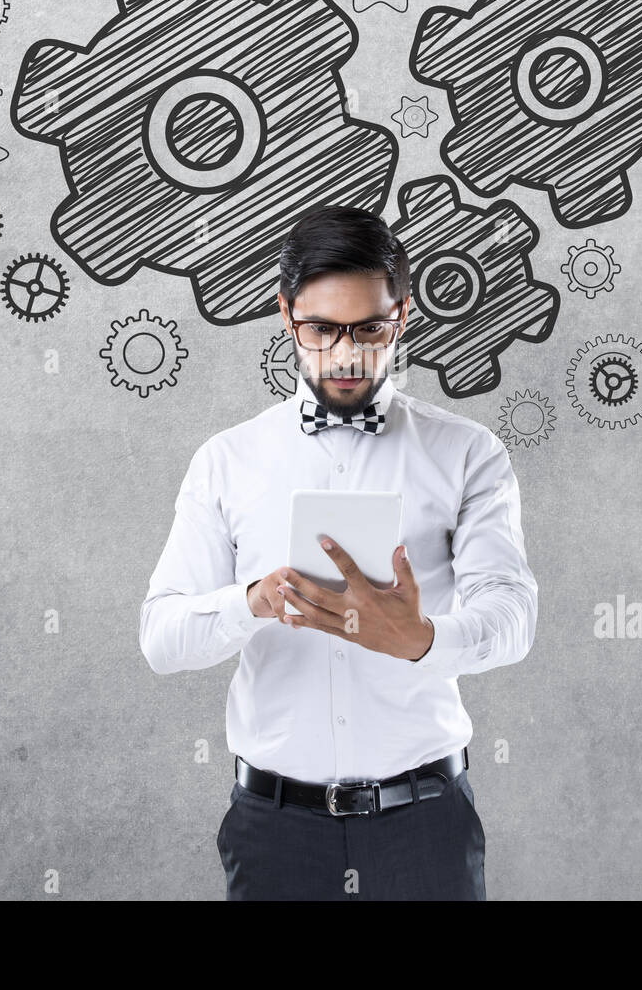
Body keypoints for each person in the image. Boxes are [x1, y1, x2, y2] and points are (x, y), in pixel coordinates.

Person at [140, 205, 539, 900]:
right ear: (285, 313)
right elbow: (161, 640)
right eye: (321, 329)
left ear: (404, 315)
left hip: (426, 825)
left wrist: (421, 639)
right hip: (274, 832)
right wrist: (252, 604)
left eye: (371, 328)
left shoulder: (468, 453)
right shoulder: (228, 461)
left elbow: (514, 615)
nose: (348, 354)